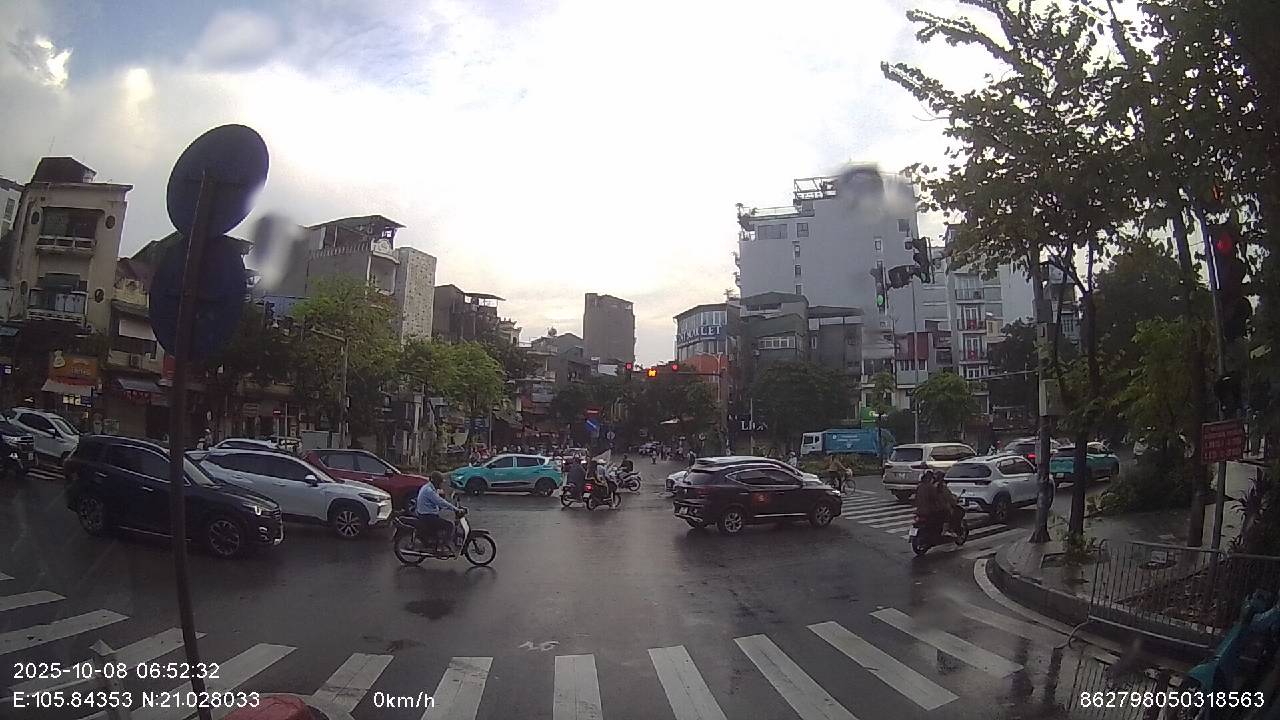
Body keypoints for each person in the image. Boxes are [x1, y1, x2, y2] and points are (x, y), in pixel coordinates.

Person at [414, 473, 460, 554]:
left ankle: (437, 542)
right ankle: (442, 546)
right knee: (449, 525)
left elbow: (438, 500)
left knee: (442, 521)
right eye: (440, 482)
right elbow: (440, 501)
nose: (441, 484)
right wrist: (455, 509)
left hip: (425, 513)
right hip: (427, 516)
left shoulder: (428, 487)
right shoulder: (429, 491)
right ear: (436, 482)